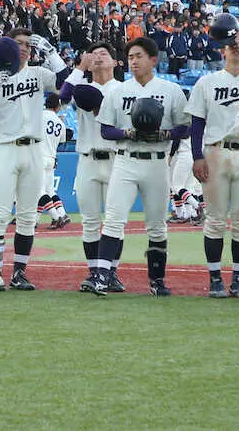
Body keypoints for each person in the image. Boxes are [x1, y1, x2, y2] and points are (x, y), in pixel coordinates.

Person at [84, 37, 190, 297]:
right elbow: (106, 130)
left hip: (157, 162)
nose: (133, 61)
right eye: (130, 57)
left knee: (157, 225)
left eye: (139, 56)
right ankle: (102, 276)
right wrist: (128, 133)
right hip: (126, 159)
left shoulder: (171, 90)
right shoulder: (118, 91)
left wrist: (165, 134)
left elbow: (185, 128)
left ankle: (157, 280)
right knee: (113, 220)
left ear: (153, 60)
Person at [0, 30, 70, 291]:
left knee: (27, 216)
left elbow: (66, 86)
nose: (23, 48)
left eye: (27, 44)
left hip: (34, 149)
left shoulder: (37, 73)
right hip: (5, 148)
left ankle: (19, 273)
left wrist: (51, 53)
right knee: (0, 214)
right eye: (18, 44)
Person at [187, 28, 239, 298]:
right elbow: (197, 124)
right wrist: (197, 156)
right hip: (215, 151)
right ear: (222, 49)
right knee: (214, 220)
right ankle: (215, 279)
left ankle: (238, 279)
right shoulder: (207, 82)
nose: (236, 47)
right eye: (231, 44)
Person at [62, 42, 125, 292]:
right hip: (87, 157)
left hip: (116, 158)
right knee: (89, 221)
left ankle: (111, 273)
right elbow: (62, 97)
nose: (98, 57)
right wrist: (80, 67)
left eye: (104, 54)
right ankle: (94, 273)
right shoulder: (81, 87)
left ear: (115, 62)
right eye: (94, 54)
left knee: (115, 221)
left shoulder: (122, 89)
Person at [40, 95, 71, 228]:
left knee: (39, 192)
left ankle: (56, 217)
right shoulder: (60, 122)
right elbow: (62, 141)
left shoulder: (39, 116)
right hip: (52, 158)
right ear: (57, 107)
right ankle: (62, 213)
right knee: (50, 191)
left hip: (39, 157)